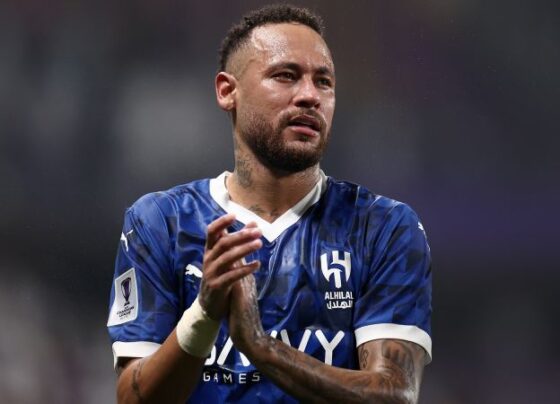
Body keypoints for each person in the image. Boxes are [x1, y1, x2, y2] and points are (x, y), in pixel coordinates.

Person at [107, 4, 432, 403]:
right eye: (286, 76)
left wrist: (260, 346)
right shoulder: (160, 223)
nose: (310, 96)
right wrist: (204, 315)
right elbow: (131, 399)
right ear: (228, 91)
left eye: (324, 82)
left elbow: (395, 395)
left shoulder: (382, 228)